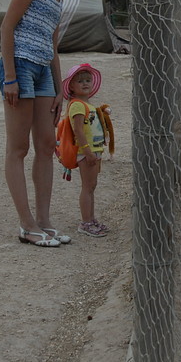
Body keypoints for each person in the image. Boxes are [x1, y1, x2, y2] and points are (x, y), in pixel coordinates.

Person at [0, 0, 88, 247]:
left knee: (47, 145)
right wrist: (10, 76)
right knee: (18, 147)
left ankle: (45, 221)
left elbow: (53, 46)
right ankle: (27, 224)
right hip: (20, 67)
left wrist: (61, 87)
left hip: (44, 72)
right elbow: (7, 26)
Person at [62, 63, 111, 237]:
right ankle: (86, 222)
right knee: (87, 186)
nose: (85, 83)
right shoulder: (76, 105)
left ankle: (91, 219)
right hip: (86, 151)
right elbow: (78, 130)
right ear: (71, 86)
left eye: (88, 80)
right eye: (80, 81)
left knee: (92, 186)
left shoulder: (88, 105)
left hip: (94, 150)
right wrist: (87, 151)